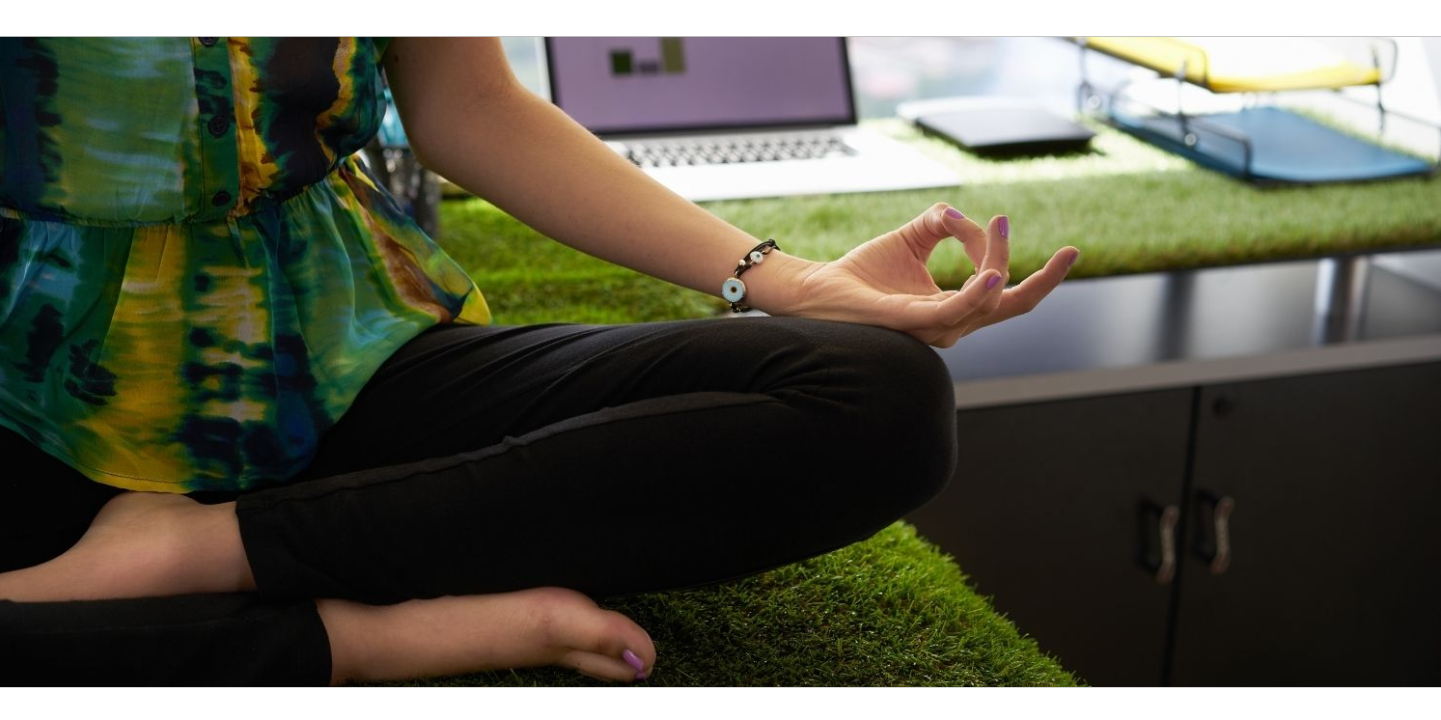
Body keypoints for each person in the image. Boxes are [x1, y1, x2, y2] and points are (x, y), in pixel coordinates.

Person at [0, 37, 1079, 686]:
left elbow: (469, 106)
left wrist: (784, 280)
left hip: (340, 356)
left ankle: (210, 552)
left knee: (879, 400)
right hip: (33, 396)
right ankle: (372, 635)